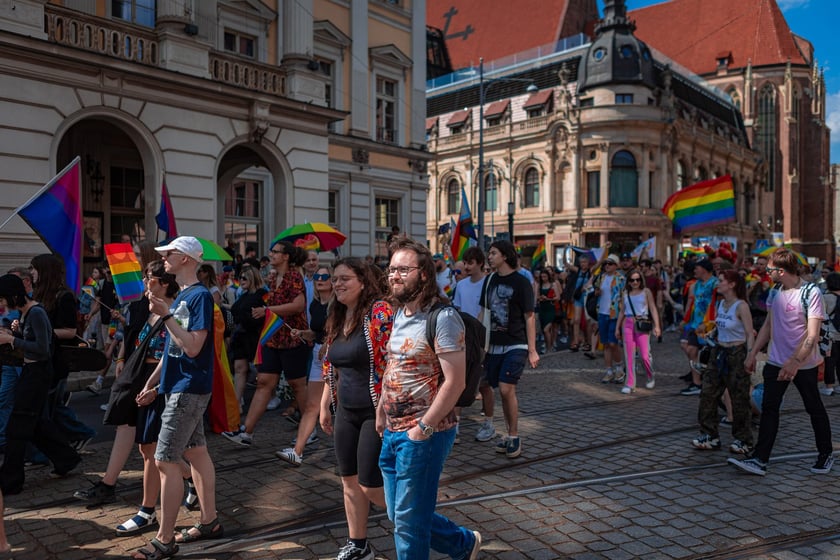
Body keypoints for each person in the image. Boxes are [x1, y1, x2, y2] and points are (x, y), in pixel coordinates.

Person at [376, 237, 481, 560]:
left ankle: (460, 544)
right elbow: (394, 365)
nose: (394, 276)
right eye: (391, 269)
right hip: (392, 430)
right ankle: (463, 544)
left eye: (402, 270)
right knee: (399, 514)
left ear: (423, 274)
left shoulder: (443, 317)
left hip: (424, 433)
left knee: (408, 524)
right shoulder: (400, 313)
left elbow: (456, 381)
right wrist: (381, 409)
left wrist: (424, 427)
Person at [130, 236, 221, 560]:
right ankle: (209, 521)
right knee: (196, 453)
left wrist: (166, 314)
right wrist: (154, 382)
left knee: (165, 461)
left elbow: (193, 347)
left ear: (185, 258)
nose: (164, 258)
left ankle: (164, 540)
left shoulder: (198, 296)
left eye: (169, 253)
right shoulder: (185, 295)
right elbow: (173, 348)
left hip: (188, 388)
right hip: (179, 386)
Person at [729, 248, 834, 476]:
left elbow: (812, 335)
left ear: (781, 270)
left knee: (814, 408)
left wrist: (795, 362)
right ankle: (760, 459)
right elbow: (768, 325)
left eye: (769, 270)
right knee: (769, 409)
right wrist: (752, 353)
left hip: (804, 364)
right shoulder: (775, 292)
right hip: (776, 361)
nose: (766, 273)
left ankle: (825, 453)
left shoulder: (811, 292)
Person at [316, 258, 392, 559]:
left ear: (363, 281)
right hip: (345, 412)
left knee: (370, 485)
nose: (337, 284)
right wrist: (325, 403)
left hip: (375, 411)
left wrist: (386, 405)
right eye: (334, 279)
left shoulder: (378, 312)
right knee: (348, 480)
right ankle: (358, 545)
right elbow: (330, 365)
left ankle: (425, 521)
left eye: (344, 278)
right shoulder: (336, 314)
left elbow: (392, 362)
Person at [0, 274, 80, 495]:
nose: (3, 304)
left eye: (3, 299)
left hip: (37, 374)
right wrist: (14, 332)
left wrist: (12, 339)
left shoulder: (36, 312)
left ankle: (11, 479)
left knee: (18, 426)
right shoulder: (27, 312)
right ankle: (67, 458)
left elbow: (42, 349)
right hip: (32, 372)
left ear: (13, 295)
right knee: (34, 424)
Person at [223, 241, 309, 446]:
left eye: (275, 252)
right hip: (273, 338)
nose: (271, 254)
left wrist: (267, 311)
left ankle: (310, 429)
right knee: (263, 382)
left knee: (297, 385)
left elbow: (298, 306)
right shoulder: (272, 277)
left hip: (292, 338)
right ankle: (246, 432)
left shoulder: (294, 276)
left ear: (286, 256)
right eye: (271, 251)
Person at [480, 240, 539, 458]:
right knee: (501, 391)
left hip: (516, 343)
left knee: (506, 388)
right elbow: (483, 312)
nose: (490, 257)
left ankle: (514, 436)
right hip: (494, 344)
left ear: (505, 256)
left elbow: (529, 316)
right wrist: (478, 340)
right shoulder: (490, 280)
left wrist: (532, 349)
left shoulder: (521, 282)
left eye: (493, 253)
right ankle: (508, 433)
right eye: (489, 253)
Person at [690, 270, 755, 454]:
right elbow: (721, 326)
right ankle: (709, 435)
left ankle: (743, 439)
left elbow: (750, 333)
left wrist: (750, 355)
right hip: (719, 352)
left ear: (732, 284)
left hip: (737, 353)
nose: (717, 284)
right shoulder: (721, 304)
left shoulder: (741, 306)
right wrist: (713, 333)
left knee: (739, 397)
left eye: (721, 281)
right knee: (708, 393)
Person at [276, 264, 334, 465]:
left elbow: (342, 330)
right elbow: (315, 333)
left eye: (325, 277)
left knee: (340, 406)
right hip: (318, 355)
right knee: (311, 405)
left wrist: (328, 344)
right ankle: (297, 451)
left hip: (334, 358)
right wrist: (302, 333)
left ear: (332, 280)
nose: (320, 280)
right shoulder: (315, 304)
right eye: (317, 277)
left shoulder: (338, 304)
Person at [614, 270, 660, 394]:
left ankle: (650, 375)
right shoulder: (625, 293)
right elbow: (622, 312)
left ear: (641, 280)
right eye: (632, 280)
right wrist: (617, 328)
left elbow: (653, 308)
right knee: (629, 355)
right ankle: (630, 383)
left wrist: (657, 326)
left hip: (642, 323)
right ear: (628, 281)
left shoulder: (646, 292)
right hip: (627, 323)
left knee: (644, 355)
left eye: (637, 280)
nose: (635, 282)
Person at [229, 266, 268, 408]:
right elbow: (235, 311)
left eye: (244, 278)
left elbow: (268, 313)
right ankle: (236, 404)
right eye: (240, 277)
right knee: (239, 368)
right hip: (241, 337)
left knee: (262, 371)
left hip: (255, 337)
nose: (241, 280)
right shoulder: (243, 295)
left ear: (253, 278)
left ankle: (269, 397)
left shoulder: (263, 294)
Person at [585, 253, 625, 383]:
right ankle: (609, 371)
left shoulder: (621, 279)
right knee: (606, 344)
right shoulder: (601, 277)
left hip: (614, 314)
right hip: (602, 313)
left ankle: (619, 368)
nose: (607, 265)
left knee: (613, 343)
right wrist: (596, 292)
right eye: (606, 263)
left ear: (616, 265)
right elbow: (592, 290)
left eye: (610, 263)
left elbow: (624, 297)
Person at [680, 260, 718, 396]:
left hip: (709, 326)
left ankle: (712, 382)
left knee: (711, 355)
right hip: (695, 324)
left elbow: (716, 304)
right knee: (691, 350)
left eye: (697, 268)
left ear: (704, 269)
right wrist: (686, 320)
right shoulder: (696, 285)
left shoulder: (715, 284)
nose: (694, 271)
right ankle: (696, 383)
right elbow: (692, 304)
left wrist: (709, 322)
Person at [820, 272, 840, 395]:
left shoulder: (825, 298)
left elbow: (821, 316)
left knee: (830, 361)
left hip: (831, 336)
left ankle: (829, 386)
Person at [536, 269, 560, 354]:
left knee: (546, 329)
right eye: (542, 277)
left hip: (550, 309)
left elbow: (558, 297)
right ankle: (547, 346)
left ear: (548, 276)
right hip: (542, 309)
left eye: (545, 276)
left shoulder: (553, 284)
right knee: (544, 330)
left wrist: (548, 298)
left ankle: (549, 348)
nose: (543, 278)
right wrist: (540, 298)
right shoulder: (539, 285)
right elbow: (536, 297)